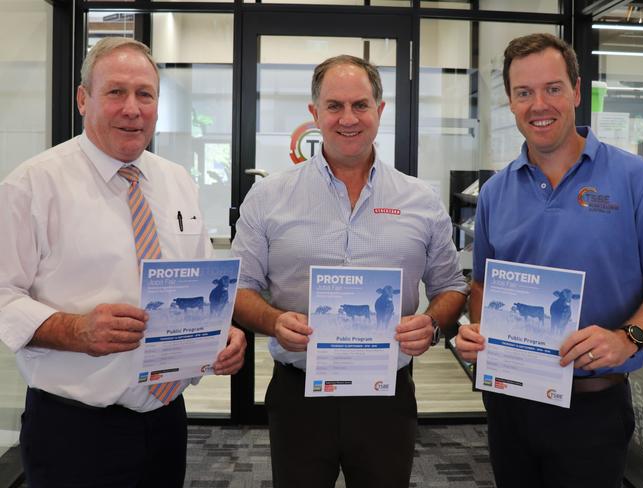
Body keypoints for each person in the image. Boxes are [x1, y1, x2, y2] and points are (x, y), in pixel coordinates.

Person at [0, 38, 246, 487]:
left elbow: (201, 273)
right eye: (116, 92)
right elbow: (3, 296)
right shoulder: (32, 186)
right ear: (82, 98)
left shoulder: (176, 181)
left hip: (166, 418)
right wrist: (75, 330)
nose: (132, 108)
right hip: (73, 429)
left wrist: (222, 330)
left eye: (145, 94)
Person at [231, 54, 468, 488]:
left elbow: (451, 286)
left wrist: (432, 323)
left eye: (360, 105)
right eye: (334, 106)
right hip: (299, 394)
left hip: (387, 397)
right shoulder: (268, 197)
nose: (348, 118)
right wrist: (274, 321)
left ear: (380, 110)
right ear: (314, 114)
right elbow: (239, 289)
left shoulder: (421, 200)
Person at [456, 33, 643, 488]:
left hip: (592, 409)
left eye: (553, 88)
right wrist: (478, 335)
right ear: (510, 101)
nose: (538, 104)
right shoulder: (496, 192)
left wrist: (631, 336)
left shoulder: (636, 179)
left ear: (577, 91)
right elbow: (483, 284)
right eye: (524, 93)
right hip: (510, 405)